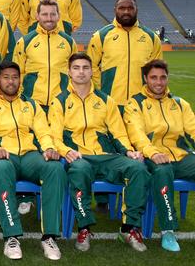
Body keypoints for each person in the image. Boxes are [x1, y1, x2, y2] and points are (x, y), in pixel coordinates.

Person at [48, 53, 150, 252]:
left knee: (138, 168)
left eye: (85, 67)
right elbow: (54, 136)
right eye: (76, 68)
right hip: (79, 156)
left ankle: (128, 228)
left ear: (92, 71)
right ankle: (84, 228)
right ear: (69, 72)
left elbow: (118, 132)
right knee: (79, 170)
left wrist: (129, 151)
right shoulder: (59, 101)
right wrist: (66, 151)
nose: (81, 72)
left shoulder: (106, 100)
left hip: (106, 156)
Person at [0, 61, 66, 260]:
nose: (10, 81)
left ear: (20, 80)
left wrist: (49, 147)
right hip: (4, 154)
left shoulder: (30, 104)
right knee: (0, 168)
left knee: (55, 169)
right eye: (6, 77)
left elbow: (43, 131)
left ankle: (49, 236)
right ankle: (11, 236)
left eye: (15, 77)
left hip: (30, 155)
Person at [123, 59, 195, 252]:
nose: (159, 82)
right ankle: (168, 230)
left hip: (179, 156)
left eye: (163, 77)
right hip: (151, 157)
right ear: (145, 78)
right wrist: (153, 153)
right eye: (153, 77)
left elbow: (193, 130)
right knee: (162, 172)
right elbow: (136, 134)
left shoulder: (180, 104)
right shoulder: (135, 103)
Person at [87, 0, 162, 106]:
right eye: (122, 8)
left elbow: (157, 71)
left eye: (130, 8)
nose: (126, 11)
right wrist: (101, 89)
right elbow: (90, 66)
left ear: (137, 10)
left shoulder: (151, 37)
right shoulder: (101, 36)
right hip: (110, 103)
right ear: (115, 10)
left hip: (142, 103)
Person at [13, 0, 76, 109]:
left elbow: (75, 73)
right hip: (32, 103)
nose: (49, 18)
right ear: (37, 16)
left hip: (61, 103)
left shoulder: (69, 42)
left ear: (58, 16)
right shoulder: (25, 42)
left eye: (53, 14)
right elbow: (17, 73)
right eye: (44, 14)